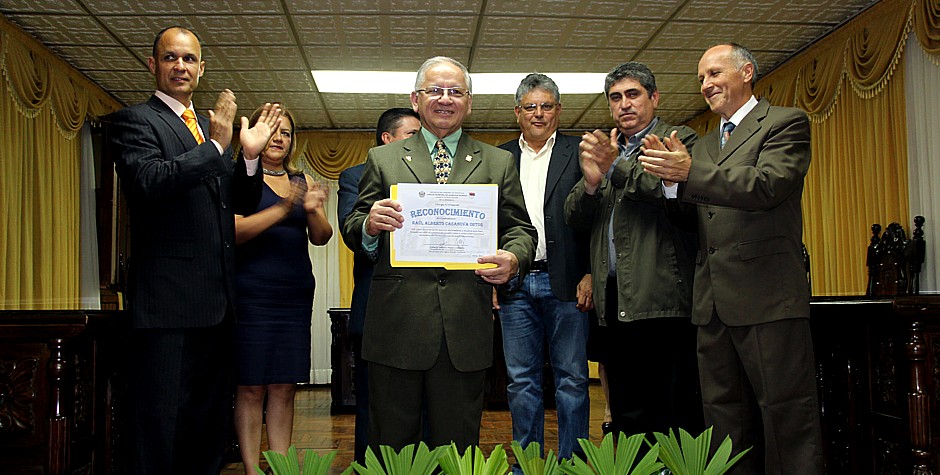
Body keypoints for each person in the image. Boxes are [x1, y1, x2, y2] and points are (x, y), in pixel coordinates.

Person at [638, 43, 824, 474]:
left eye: (715, 73)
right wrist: (670, 184)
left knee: (786, 415)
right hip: (713, 304)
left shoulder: (784, 123)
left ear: (746, 73)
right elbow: (691, 219)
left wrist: (689, 173)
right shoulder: (702, 146)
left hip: (767, 297)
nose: (706, 84)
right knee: (723, 419)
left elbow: (766, 185)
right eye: (701, 77)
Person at [341, 56, 537, 452]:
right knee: (392, 445)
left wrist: (514, 258)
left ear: (469, 102)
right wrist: (369, 225)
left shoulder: (498, 161)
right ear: (416, 99)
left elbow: (521, 229)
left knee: (457, 445)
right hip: (397, 324)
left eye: (455, 92)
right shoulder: (383, 159)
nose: (445, 99)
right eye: (435, 90)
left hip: (464, 324)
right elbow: (354, 225)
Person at [109, 26, 281, 474]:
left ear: (202, 69)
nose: (180, 66)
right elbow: (150, 182)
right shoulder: (136, 121)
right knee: (162, 425)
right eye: (170, 58)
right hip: (167, 305)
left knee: (207, 428)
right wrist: (217, 147)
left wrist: (246, 157)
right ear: (153, 65)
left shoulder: (210, 128)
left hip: (218, 305)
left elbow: (239, 203)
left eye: (189, 59)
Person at [564, 62, 703, 440]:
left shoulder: (680, 140)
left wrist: (615, 168)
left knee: (671, 412)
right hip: (614, 298)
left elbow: (671, 196)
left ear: (653, 98)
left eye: (633, 95)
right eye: (615, 98)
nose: (624, 105)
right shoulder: (608, 148)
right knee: (627, 412)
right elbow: (574, 217)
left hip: (662, 297)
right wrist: (592, 184)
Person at [496, 73, 591, 464]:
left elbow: (596, 217)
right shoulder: (498, 157)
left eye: (546, 106)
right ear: (517, 112)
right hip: (515, 284)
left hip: (568, 281)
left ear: (558, 111)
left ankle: (573, 465)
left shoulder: (579, 152)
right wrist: (490, 277)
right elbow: (490, 224)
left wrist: (589, 272)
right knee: (521, 383)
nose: (538, 113)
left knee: (573, 380)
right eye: (530, 106)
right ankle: (528, 466)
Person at [233, 105, 333, 475]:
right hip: (250, 294)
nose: (278, 138)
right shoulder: (238, 178)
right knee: (250, 387)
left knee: (284, 384)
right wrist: (283, 208)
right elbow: (235, 232)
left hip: (293, 295)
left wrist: (311, 209)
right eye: (272, 130)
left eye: (286, 132)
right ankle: (250, 468)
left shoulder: (300, 180)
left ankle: (280, 464)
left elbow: (322, 238)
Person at [336, 107, 420, 464]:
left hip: (429, 310)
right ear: (387, 139)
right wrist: (371, 224)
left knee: (425, 406)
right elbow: (351, 232)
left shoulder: (439, 181)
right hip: (377, 309)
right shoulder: (355, 177)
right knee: (374, 406)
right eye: (413, 134)